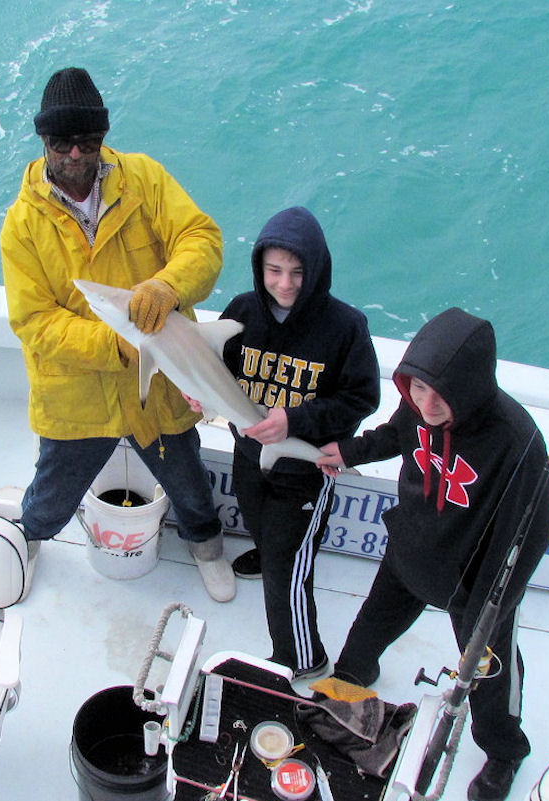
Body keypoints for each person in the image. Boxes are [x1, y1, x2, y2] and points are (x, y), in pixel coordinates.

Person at [0, 67, 235, 603]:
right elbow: (34, 322)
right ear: (43, 142)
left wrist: (168, 285)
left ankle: (206, 545)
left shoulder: (145, 179)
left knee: (190, 484)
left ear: (102, 138)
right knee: (51, 492)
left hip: (164, 384)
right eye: (62, 142)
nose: (76, 154)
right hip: (77, 398)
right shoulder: (20, 225)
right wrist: (119, 344)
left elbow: (202, 238)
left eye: (87, 140)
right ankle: (28, 542)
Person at [317, 307, 549, 801]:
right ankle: (353, 678)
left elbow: (531, 534)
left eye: (436, 393)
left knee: (490, 675)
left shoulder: (517, 442)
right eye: (416, 389)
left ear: (467, 387)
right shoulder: (421, 398)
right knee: (367, 632)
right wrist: (348, 451)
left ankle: (505, 751)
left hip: (474, 584)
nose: (424, 403)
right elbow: (394, 435)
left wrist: (493, 606)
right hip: (411, 549)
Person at [187, 206, 380, 677]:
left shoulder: (345, 327)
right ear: (259, 267)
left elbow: (363, 397)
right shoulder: (242, 311)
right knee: (258, 524)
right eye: (274, 270)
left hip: (306, 471)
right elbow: (220, 366)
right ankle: (270, 551)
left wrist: (293, 420)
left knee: (286, 571)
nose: (286, 284)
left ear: (316, 270)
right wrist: (201, 391)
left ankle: (302, 658)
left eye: (298, 272)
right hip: (250, 453)